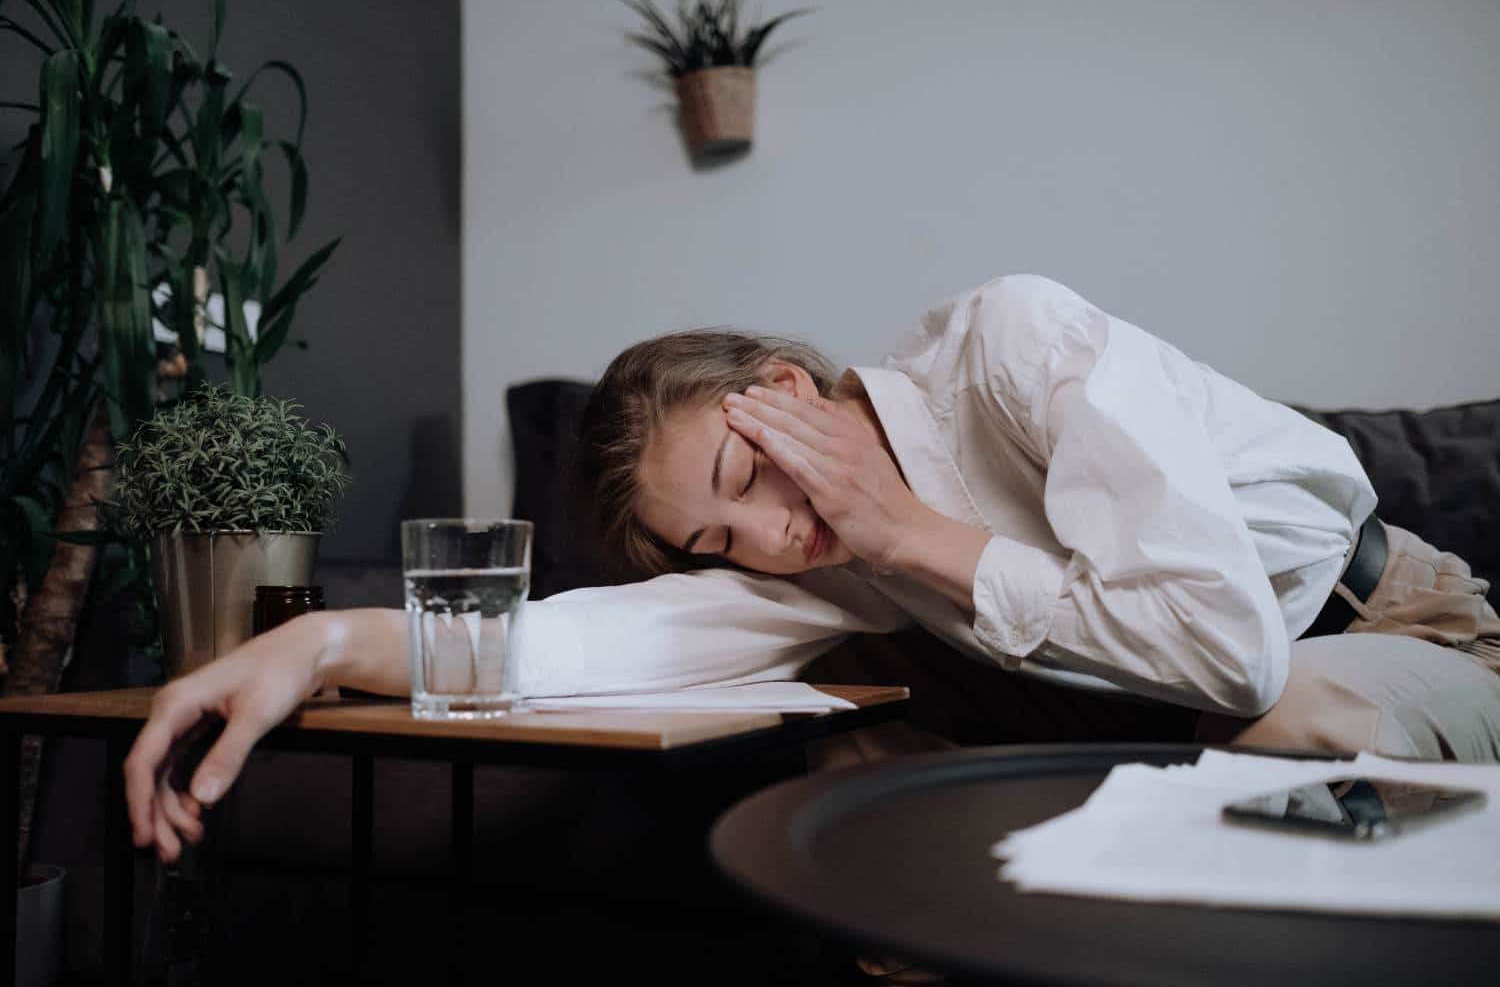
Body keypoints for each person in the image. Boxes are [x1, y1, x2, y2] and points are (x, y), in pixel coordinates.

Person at [124, 273, 1500, 866]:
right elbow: (586, 644)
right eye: (722, 541)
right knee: (848, 770)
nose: (775, 542)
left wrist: (912, 537)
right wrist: (309, 644)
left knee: (1283, 722)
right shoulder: (806, 568)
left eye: (748, 481)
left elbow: (1232, 648)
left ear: (784, 391)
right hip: (1132, 715)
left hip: (1396, 628)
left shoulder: (1013, 349)